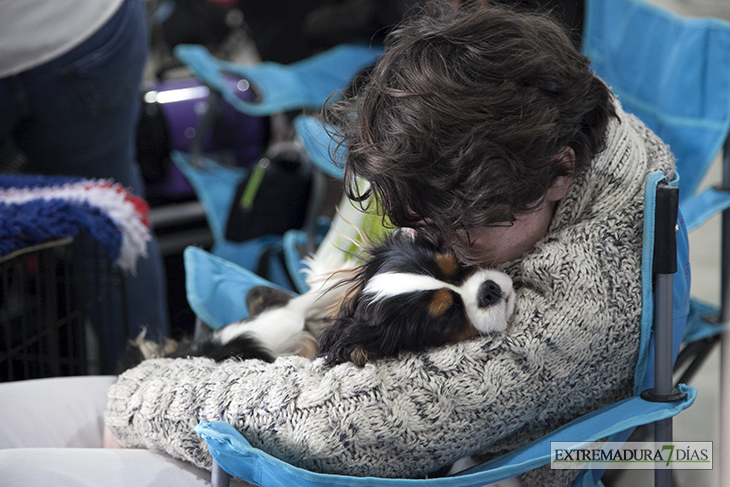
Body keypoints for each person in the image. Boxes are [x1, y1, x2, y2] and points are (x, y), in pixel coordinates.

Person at [0, 2, 685, 486]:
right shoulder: (578, 107)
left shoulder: (570, 318)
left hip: (329, 449)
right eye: (423, 226)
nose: (434, 243)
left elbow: (347, 422)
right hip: (287, 405)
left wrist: (145, 399)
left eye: (463, 228)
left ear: (561, 170)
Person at [0, 0, 170, 367]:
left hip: (86, 33)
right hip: (86, 27)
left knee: (115, 217)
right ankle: (152, 396)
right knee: (114, 216)